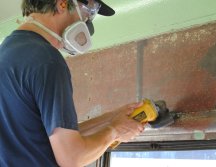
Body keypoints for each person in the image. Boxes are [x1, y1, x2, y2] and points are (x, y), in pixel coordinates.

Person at [0, 0, 145, 166]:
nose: (88, 22)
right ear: (62, 4)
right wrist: (115, 131)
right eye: (89, 10)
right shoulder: (47, 60)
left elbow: (50, 137)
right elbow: (71, 158)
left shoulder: (7, 51)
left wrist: (112, 118)